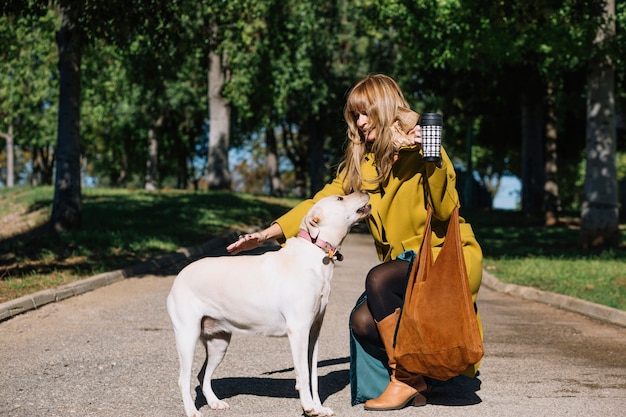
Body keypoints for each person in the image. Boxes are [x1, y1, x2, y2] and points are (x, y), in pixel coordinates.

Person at [227, 73, 483, 410]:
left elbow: (446, 210)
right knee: (362, 322)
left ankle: (406, 378)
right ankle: (421, 377)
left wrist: (430, 157)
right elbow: (319, 203)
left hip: (440, 259)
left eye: (366, 113)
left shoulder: (425, 147)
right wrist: (266, 235)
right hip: (403, 266)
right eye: (355, 116)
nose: (360, 123)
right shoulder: (365, 164)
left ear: (386, 108)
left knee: (377, 279)